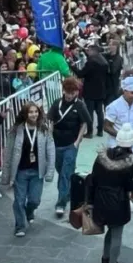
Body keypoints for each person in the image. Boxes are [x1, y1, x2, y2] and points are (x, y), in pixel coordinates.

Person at [90, 123, 133, 263]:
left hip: (100, 198)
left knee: (109, 230)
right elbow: (130, 186)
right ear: (132, 143)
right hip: (118, 201)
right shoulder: (131, 162)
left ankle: (105, 257)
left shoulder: (102, 156)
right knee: (117, 232)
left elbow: (93, 178)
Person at [2, 102, 56, 238]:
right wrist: (6, 174)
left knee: (35, 200)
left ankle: (29, 211)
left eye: (36, 112)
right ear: (25, 114)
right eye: (31, 112)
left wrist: (50, 171)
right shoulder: (15, 130)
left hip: (37, 171)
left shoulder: (44, 129)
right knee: (19, 200)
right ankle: (20, 226)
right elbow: (8, 153)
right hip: (20, 171)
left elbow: (51, 151)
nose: (34, 114)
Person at [48, 77, 90, 218]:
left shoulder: (80, 105)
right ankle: (71, 191)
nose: (70, 95)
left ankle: (61, 202)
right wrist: (49, 138)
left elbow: (85, 123)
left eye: (73, 92)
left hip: (71, 144)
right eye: (68, 92)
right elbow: (51, 121)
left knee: (65, 172)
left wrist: (77, 142)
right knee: (61, 170)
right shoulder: (56, 103)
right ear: (63, 91)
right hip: (56, 143)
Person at [103, 76, 133, 149]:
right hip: (115, 146)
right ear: (124, 91)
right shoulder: (114, 106)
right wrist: (122, 137)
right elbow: (106, 126)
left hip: (132, 146)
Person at [80, 45, 110, 137]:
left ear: (93, 51)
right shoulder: (103, 61)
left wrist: (73, 66)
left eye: (89, 50)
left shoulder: (91, 62)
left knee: (89, 112)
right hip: (101, 90)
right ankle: (100, 130)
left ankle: (90, 132)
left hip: (90, 90)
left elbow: (81, 74)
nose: (88, 52)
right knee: (99, 111)